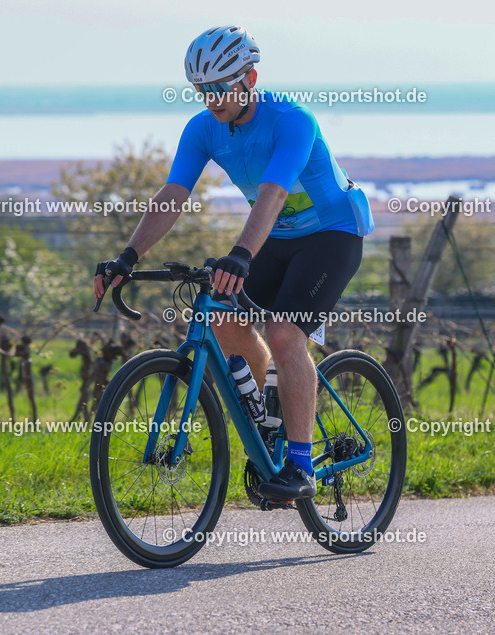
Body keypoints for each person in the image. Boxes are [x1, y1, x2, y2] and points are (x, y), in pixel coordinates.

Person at [94, 25, 374, 500]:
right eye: (202, 90)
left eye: (221, 87)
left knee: (286, 332)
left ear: (250, 77)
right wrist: (127, 256)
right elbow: (173, 195)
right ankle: (269, 414)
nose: (212, 99)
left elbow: (274, 191)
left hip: (332, 234)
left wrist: (242, 254)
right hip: (275, 236)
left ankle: (301, 466)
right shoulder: (203, 129)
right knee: (222, 313)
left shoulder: (292, 120)